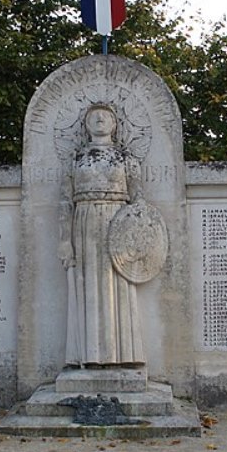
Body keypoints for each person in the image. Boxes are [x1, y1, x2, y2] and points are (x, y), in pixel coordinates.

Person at [58, 104, 144, 366]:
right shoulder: (76, 158)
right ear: (85, 125)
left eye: (105, 115)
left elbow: (138, 200)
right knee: (88, 287)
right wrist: (64, 239)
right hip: (84, 221)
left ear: (114, 124)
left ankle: (123, 356)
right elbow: (64, 202)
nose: (99, 119)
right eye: (93, 116)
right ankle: (89, 355)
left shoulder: (125, 158)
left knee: (117, 287)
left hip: (117, 221)